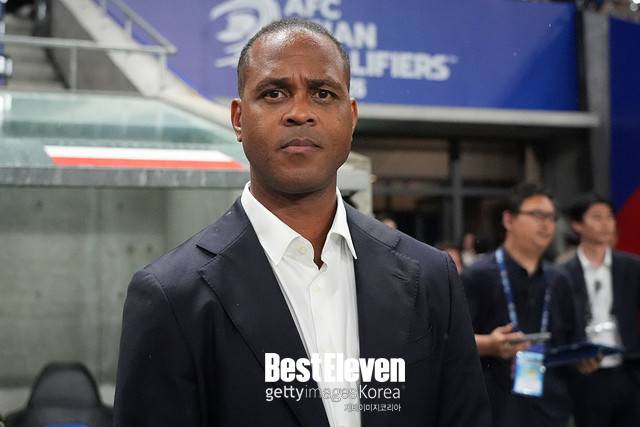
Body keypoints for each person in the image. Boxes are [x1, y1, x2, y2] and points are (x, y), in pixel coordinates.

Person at [113, 18, 491, 427]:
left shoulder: (431, 277)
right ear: (238, 118)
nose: (300, 112)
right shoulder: (171, 296)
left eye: (322, 93)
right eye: (274, 93)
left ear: (351, 117)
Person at [461, 182, 585, 427]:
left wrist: (584, 357)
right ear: (508, 220)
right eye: (537, 215)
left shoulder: (559, 279)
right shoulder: (478, 276)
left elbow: (572, 339)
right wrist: (489, 344)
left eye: (551, 217)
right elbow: (449, 339)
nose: (546, 224)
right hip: (496, 407)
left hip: (551, 408)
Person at [561, 193, 640, 427]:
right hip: (585, 374)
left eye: (609, 217)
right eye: (596, 217)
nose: (605, 224)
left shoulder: (632, 267)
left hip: (628, 370)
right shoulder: (563, 273)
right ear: (577, 225)